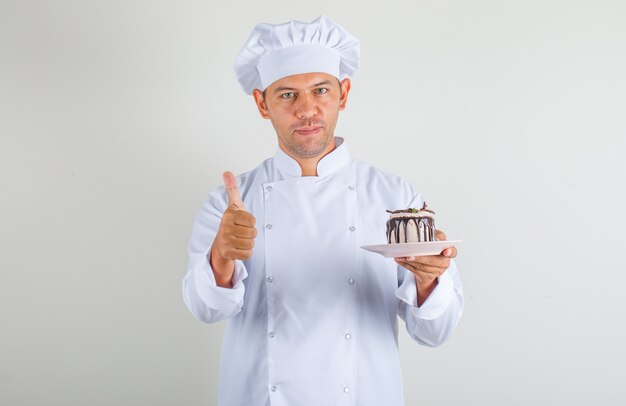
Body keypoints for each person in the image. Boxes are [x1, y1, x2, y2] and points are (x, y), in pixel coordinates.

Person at [182, 15, 464, 406]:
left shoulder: (397, 198)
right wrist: (221, 257)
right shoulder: (230, 203)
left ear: (343, 93)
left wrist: (429, 282)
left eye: (320, 90)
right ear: (262, 103)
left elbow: (435, 332)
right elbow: (205, 310)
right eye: (286, 95)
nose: (307, 110)